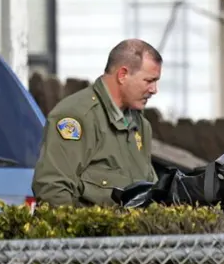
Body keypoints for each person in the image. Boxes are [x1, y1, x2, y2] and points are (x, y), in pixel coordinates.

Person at [32, 39, 161, 207]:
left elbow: (150, 192)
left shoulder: (141, 125)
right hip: (91, 232)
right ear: (123, 75)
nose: (154, 90)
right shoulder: (76, 117)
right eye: (149, 81)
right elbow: (52, 190)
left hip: (134, 233)